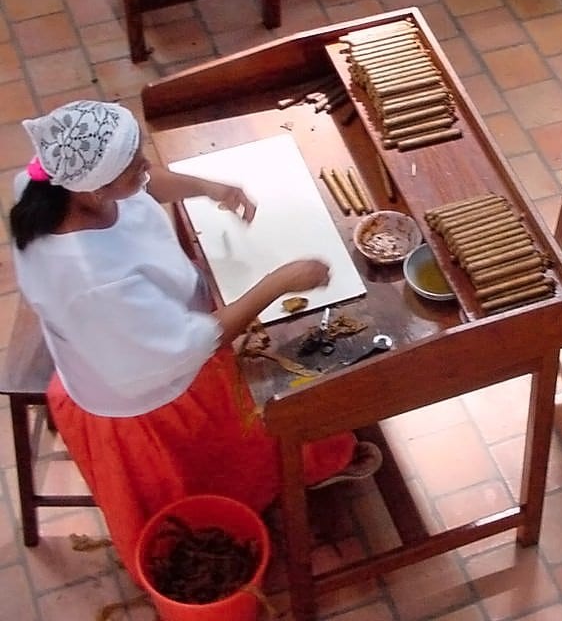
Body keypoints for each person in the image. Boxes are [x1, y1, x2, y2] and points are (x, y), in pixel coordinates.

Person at [9, 100, 379, 582]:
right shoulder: (95, 280)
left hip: (144, 336)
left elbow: (144, 184)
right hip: (150, 392)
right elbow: (193, 343)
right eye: (132, 164)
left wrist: (209, 187)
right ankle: (290, 474)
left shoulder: (53, 184)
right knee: (264, 415)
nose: (145, 167)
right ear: (96, 189)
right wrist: (279, 282)